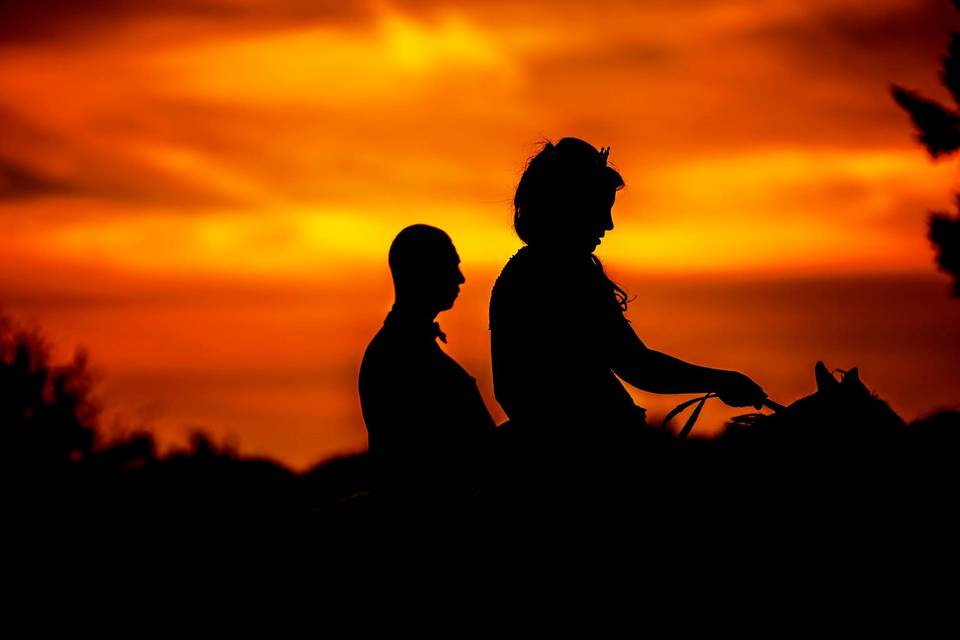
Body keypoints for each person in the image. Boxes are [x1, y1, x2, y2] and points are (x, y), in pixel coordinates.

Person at [489, 137, 766, 462]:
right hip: (598, 455)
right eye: (598, 210)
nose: (608, 225)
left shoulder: (522, 275)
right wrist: (721, 380)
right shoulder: (562, 277)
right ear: (569, 209)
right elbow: (638, 365)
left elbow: (508, 391)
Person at [359, 224, 495, 506]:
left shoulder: (401, 348)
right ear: (422, 272)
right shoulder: (399, 356)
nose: (461, 278)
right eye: (450, 266)